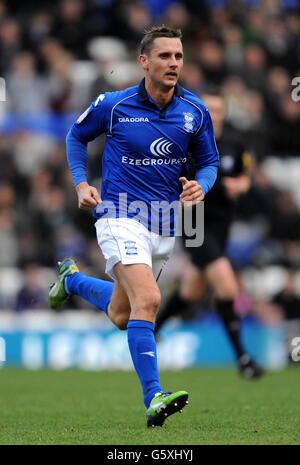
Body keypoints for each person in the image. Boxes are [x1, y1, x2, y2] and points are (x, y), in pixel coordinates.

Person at [49, 25, 219, 427]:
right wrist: (80, 182)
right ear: (144, 61)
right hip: (119, 215)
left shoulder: (195, 112)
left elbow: (209, 161)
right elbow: (76, 136)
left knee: (124, 314)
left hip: (165, 225)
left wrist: (202, 186)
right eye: (164, 56)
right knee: (150, 298)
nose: (173, 63)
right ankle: (153, 396)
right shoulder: (115, 104)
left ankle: (71, 280)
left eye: (178, 56)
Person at [155, 89, 264, 379]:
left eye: (218, 109)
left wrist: (240, 185)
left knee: (191, 291)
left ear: (224, 113)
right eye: (208, 109)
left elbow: (245, 175)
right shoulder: (186, 142)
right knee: (227, 287)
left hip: (221, 223)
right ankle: (243, 359)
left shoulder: (233, 143)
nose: (213, 114)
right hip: (195, 221)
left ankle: (152, 329)